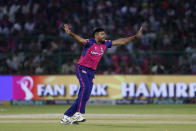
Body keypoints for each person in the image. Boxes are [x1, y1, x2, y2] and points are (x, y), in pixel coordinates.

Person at [61, 24, 143, 124]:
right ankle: (79, 114)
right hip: (81, 68)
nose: (104, 36)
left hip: (91, 72)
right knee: (85, 88)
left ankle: (66, 116)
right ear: (96, 36)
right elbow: (81, 40)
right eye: (102, 34)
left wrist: (134, 37)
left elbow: (120, 41)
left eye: (104, 34)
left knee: (85, 96)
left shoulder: (105, 44)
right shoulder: (90, 42)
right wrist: (71, 34)